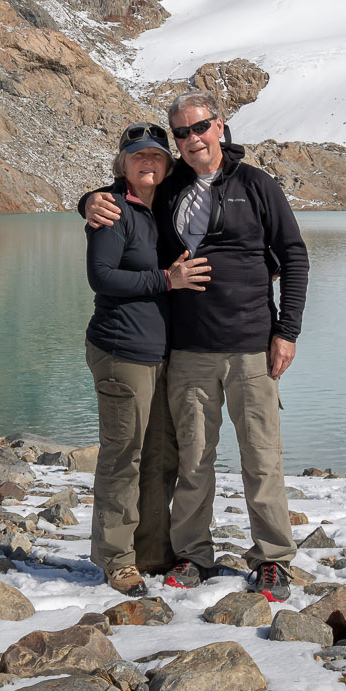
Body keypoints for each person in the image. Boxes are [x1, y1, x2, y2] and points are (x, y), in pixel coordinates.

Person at [82, 91, 310, 602]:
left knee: (261, 458)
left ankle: (272, 559)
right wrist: (90, 200)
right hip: (186, 350)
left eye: (199, 128)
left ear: (220, 126)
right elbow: (128, 192)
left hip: (251, 347)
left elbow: (293, 257)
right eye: (181, 134)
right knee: (193, 460)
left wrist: (287, 331)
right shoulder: (172, 187)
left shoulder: (255, 184)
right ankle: (192, 554)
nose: (192, 140)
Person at [82, 122, 211, 596]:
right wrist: (165, 281)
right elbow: (102, 277)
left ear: (167, 161)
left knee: (162, 454)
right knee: (124, 456)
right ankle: (116, 559)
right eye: (138, 157)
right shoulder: (112, 208)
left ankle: (153, 551)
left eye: (156, 156)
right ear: (123, 164)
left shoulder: (169, 204)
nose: (148, 163)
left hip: (164, 354)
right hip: (122, 351)